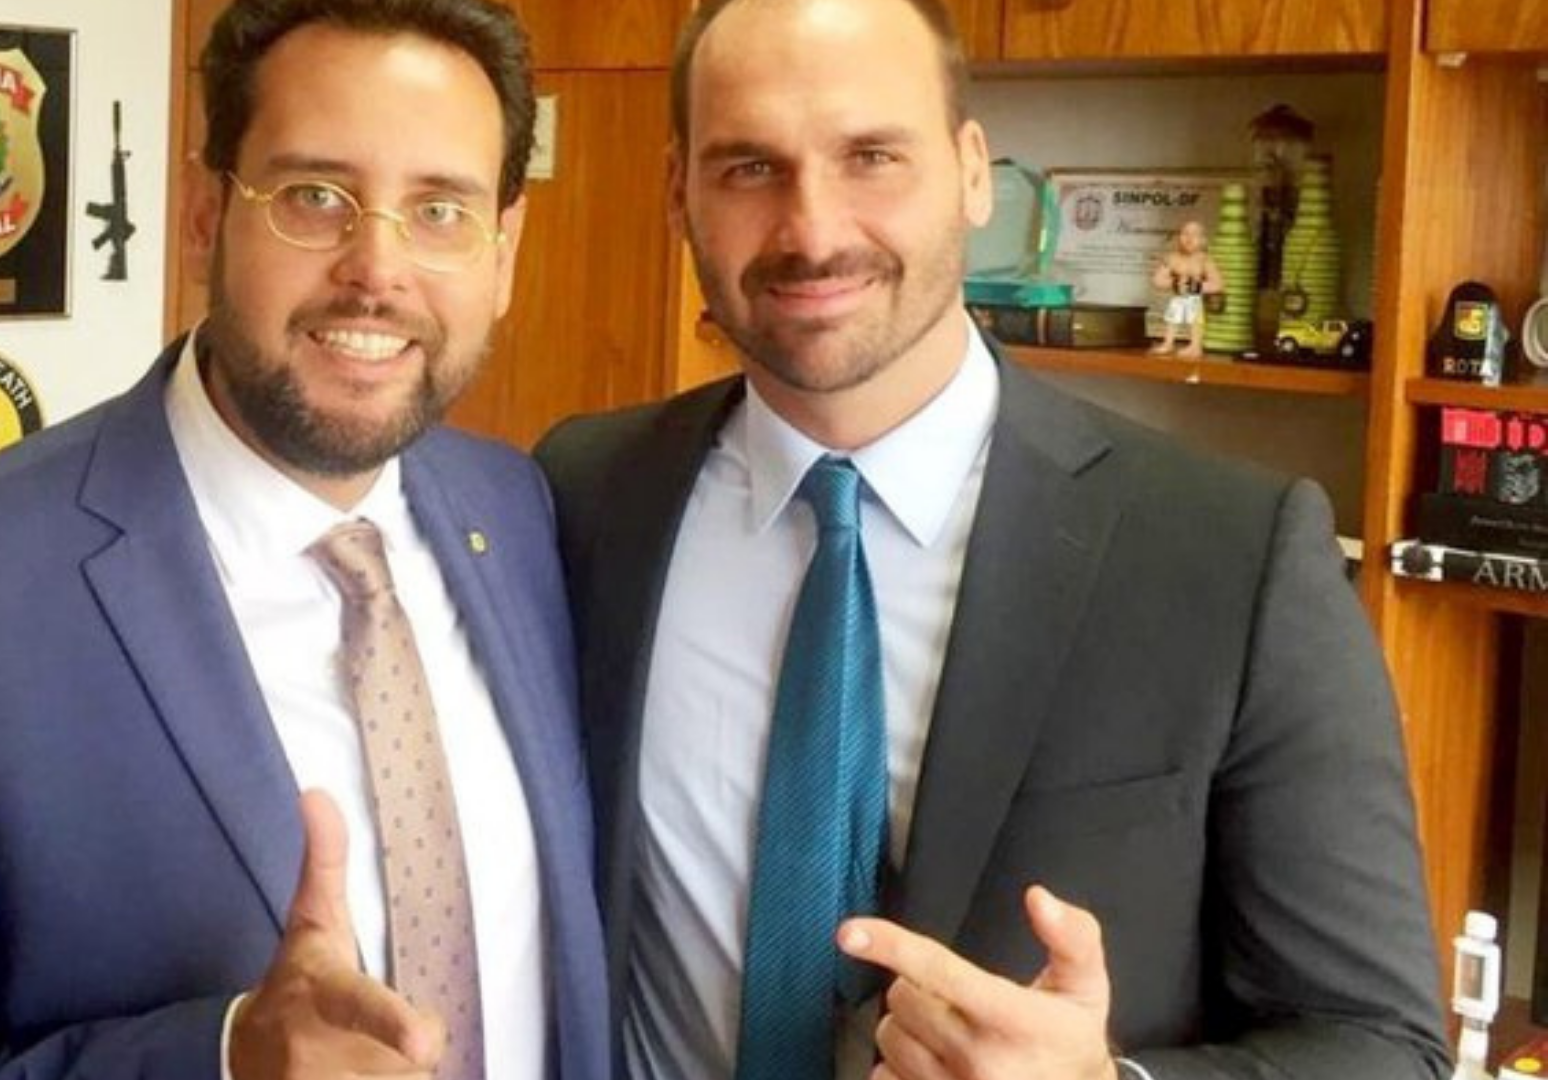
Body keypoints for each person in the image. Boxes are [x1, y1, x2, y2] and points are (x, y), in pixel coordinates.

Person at [534, 1, 1450, 1079]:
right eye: (748, 168)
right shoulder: (581, 495)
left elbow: (1382, 1045)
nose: (813, 229)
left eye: (872, 156)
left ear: (974, 172)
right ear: (677, 190)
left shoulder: (1235, 556)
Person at [0, 1, 610, 1078]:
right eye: (313, 197)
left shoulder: (520, 514)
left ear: (505, 250)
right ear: (204, 212)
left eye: (440, 210)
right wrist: (224, 1057)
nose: (377, 269)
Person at [1149, 219, 1224, 357]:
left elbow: (1218, 284)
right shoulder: (1172, 258)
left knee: (1195, 319)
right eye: (1185, 233)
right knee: (1172, 318)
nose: (1189, 238)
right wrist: (1174, 283)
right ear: (1179, 237)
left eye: (1194, 234)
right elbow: (1157, 280)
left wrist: (1194, 286)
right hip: (1178, 295)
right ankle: (1168, 342)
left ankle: (1195, 345)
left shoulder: (1205, 260)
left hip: (1194, 297)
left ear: (1202, 239)